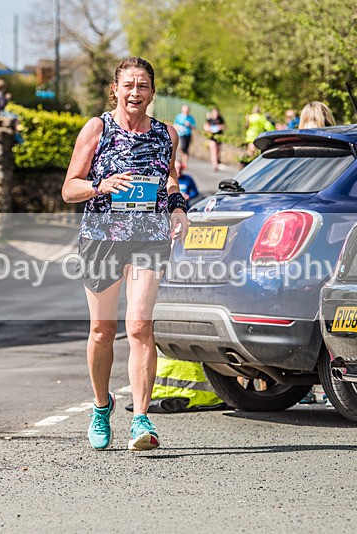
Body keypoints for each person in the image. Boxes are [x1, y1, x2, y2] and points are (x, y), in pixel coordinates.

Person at [61, 57, 189, 451]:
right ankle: (101, 407)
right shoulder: (97, 129)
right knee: (102, 331)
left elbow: (169, 177)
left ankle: (140, 420)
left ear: (152, 92)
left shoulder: (167, 134)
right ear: (115, 89)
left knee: (139, 326)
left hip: (149, 237)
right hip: (102, 238)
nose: (136, 93)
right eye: (129, 85)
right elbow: (69, 188)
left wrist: (178, 206)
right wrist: (100, 185)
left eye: (143, 86)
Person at [203, 107, 226, 172]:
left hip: (219, 138)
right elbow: (205, 127)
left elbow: (224, 126)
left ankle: (217, 161)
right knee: (214, 150)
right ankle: (215, 165)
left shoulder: (220, 119)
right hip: (212, 138)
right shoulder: (209, 120)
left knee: (218, 151)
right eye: (215, 112)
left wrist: (220, 127)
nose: (216, 114)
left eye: (217, 113)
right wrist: (210, 129)